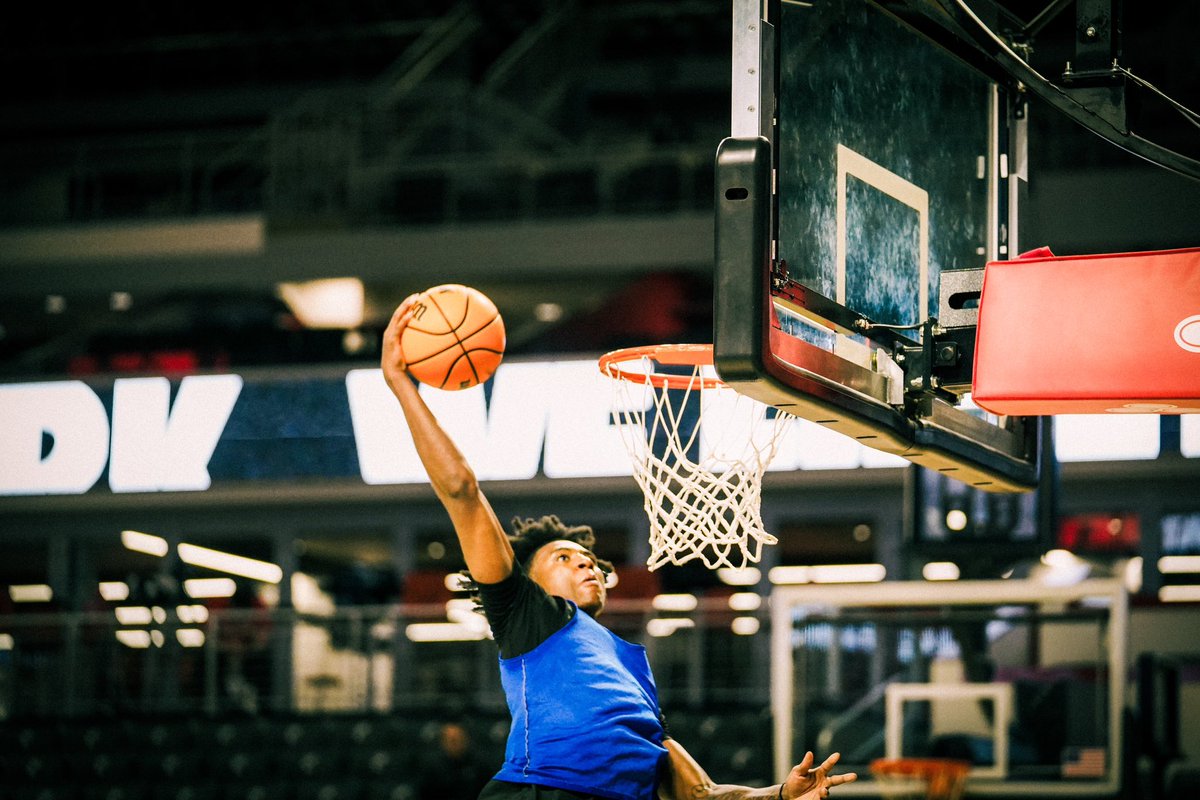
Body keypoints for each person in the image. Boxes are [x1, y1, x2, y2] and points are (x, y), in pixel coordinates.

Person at [382, 297, 858, 800]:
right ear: (530, 580)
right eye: (562, 558)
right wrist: (400, 384)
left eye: (586, 558)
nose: (584, 563)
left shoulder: (634, 669)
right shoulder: (527, 614)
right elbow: (461, 489)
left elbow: (702, 795)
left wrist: (780, 795)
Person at [416, 721, 495, 800]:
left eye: (459, 739)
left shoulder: (480, 766)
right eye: (451, 740)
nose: (455, 744)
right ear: (443, 742)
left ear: (466, 740)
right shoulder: (433, 768)